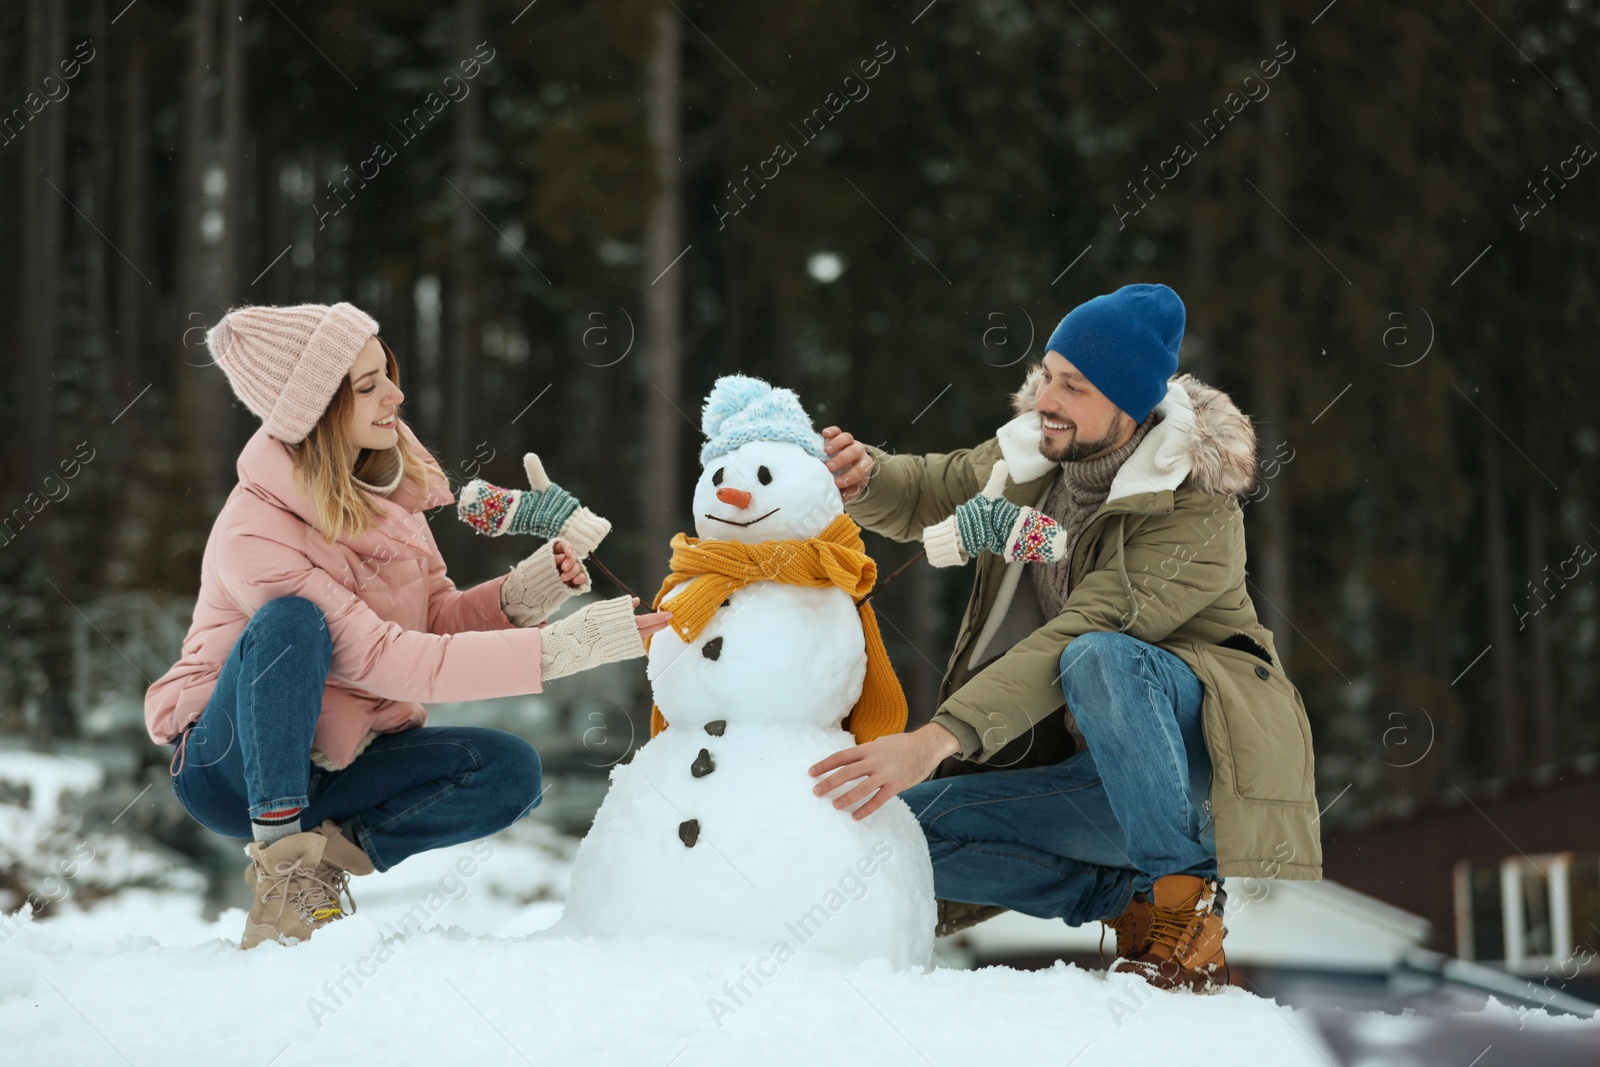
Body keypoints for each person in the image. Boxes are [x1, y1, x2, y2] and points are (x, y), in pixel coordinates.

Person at [808, 283, 1320, 991]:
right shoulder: (1032, 458)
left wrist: (933, 739)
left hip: (1201, 775)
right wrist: (868, 476)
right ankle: (1128, 904)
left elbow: (1086, 630)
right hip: (1099, 783)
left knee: (1099, 656)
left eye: (1073, 386)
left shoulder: (1194, 512)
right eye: (1047, 373)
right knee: (898, 834)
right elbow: (933, 487)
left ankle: (1186, 906)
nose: (1046, 397)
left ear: (1131, 407)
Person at [144, 302, 671, 950]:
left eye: (386, 372)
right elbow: (390, 659)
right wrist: (571, 646)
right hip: (230, 766)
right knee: (292, 622)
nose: (396, 392)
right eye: (369, 385)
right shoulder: (254, 529)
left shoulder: (387, 497)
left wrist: (528, 591)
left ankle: (326, 859)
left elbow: (434, 622)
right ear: (317, 410)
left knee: (508, 770)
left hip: (340, 761)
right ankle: (282, 872)